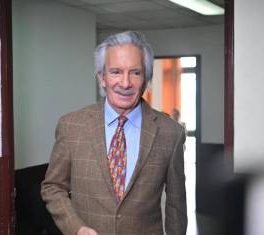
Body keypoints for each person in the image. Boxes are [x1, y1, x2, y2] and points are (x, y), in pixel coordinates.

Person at [41, 31, 187, 235]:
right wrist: (76, 228)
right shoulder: (71, 126)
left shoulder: (171, 133)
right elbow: (53, 187)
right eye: (116, 72)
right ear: (102, 77)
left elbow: (176, 205)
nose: (125, 83)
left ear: (146, 77)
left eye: (135, 72)